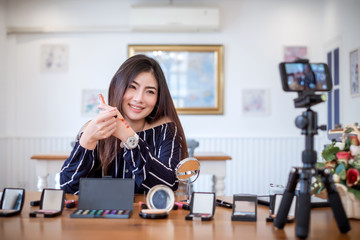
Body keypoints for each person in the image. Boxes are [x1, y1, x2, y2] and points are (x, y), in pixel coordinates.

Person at [60, 54, 188, 194]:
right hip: (100, 215)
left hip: (148, 214)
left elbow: (168, 186)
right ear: (117, 87)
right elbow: (68, 187)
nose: (139, 98)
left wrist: (129, 138)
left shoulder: (166, 129)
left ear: (158, 98)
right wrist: (87, 140)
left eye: (150, 91)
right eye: (132, 87)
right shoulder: (97, 128)